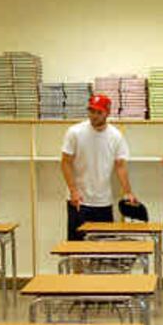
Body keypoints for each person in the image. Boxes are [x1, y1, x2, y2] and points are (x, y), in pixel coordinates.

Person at [61, 93, 137, 240]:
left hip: (103, 201)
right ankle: (77, 265)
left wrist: (128, 192)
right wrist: (73, 191)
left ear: (107, 113)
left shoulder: (115, 136)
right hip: (79, 200)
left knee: (104, 249)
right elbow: (65, 162)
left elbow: (120, 166)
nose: (94, 115)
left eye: (98, 112)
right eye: (91, 111)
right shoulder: (74, 132)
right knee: (77, 248)